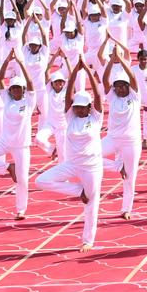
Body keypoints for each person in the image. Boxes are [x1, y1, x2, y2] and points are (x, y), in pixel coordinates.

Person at [36, 60, 103, 252]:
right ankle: (77, 191)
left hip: (91, 166)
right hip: (72, 163)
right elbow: (68, 94)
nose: (79, 109)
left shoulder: (96, 118)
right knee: (42, 180)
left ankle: (88, 240)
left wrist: (88, 72)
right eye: (77, 106)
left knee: (91, 203)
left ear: (89, 107)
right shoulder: (70, 116)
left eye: (83, 106)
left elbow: (98, 94)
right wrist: (74, 71)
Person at [99, 51, 143, 221]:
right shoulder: (112, 97)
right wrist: (111, 60)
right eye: (117, 85)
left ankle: (126, 209)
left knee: (130, 178)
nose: (119, 88)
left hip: (131, 142)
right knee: (90, 154)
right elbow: (104, 80)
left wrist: (122, 60)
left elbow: (132, 77)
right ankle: (118, 166)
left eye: (123, 85)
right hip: (112, 138)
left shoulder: (134, 96)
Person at [0, 53, 35, 220]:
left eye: (19, 88)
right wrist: (6, 61)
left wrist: (20, 62)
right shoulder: (7, 100)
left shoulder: (29, 102)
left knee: (23, 179)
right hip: (5, 141)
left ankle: (20, 209)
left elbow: (31, 83)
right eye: (14, 88)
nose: (17, 90)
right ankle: (7, 167)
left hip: (21, 146)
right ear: (10, 90)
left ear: (23, 90)